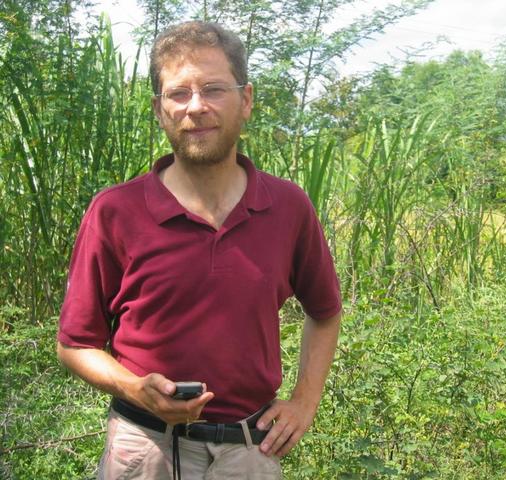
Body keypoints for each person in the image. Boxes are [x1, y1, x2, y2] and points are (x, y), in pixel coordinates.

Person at [56, 20, 341, 480]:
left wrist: (304, 403)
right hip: (143, 449)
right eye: (177, 93)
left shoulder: (288, 207)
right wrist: (135, 387)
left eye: (213, 89)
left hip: (250, 451)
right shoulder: (116, 211)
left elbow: (325, 310)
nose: (196, 107)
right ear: (158, 108)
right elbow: (75, 344)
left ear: (245, 100)